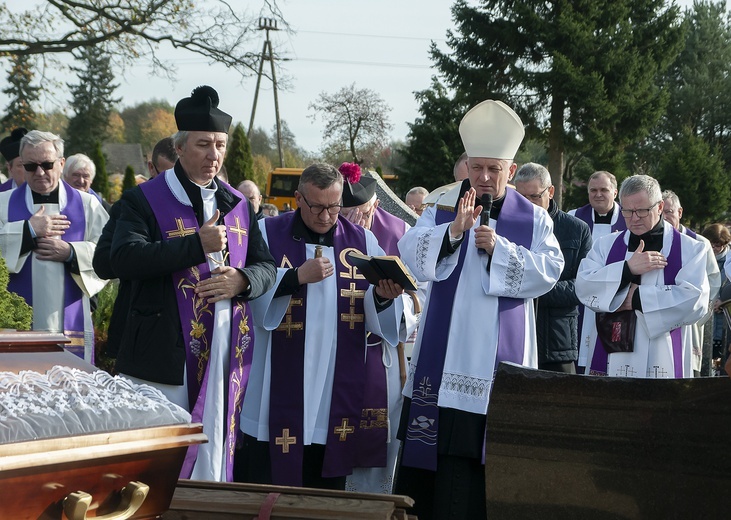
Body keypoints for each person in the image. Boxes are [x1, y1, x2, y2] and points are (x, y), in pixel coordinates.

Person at [394, 100, 564, 520]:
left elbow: (550, 271)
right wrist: (452, 233)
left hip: (495, 366)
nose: (484, 178)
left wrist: (500, 249)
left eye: (494, 169)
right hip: (444, 355)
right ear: (467, 166)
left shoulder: (535, 219)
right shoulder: (440, 207)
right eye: (477, 168)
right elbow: (409, 255)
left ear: (510, 168)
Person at [108, 85, 277, 482]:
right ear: (180, 147)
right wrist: (193, 246)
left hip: (223, 350)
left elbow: (265, 266)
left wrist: (242, 280)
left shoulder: (237, 202)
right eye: (203, 145)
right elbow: (121, 258)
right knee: (156, 465)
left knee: (211, 460)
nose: (214, 155)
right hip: (162, 354)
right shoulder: (143, 200)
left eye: (220, 144)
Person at [238, 163, 409, 491]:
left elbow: (373, 315)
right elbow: (251, 297)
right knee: (265, 484)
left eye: (333, 206)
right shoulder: (266, 233)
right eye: (316, 206)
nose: (326, 216)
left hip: (333, 386)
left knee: (322, 485)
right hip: (275, 379)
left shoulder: (363, 241)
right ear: (298, 198)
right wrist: (296, 277)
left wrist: (385, 299)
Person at [338, 161, 420, 494]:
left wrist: (391, 301)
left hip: (383, 355)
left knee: (380, 436)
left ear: (375, 205)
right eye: (349, 215)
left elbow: (420, 295)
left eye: (363, 214)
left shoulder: (401, 234)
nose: (356, 222)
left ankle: (373, 500)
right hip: (338, 346)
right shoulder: (332, 230)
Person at [576, 175, 709, 378]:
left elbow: (696, 299)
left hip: (662, 351)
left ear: (659, 207)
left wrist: (637, 298)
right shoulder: (605, 245)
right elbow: (584, 285)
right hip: (611, 347)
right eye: (628, 211)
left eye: (642, 211)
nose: (634, 218)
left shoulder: (691, 249)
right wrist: (627, 269)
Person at [0, 130, 109, 361]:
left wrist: (71, 252)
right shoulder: (3, 203)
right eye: (30, 166)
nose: (39, 173)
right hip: (16, 322)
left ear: (61, 163)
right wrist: (28, 231)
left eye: (47, 165)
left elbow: (109, 252)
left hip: (70, 319)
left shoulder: (88, 205)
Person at [93, 138, 179, 359]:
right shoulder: (131, 205)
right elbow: (102, 263)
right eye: (166, 174)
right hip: (137, 322)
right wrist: (143, 255)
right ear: (151, 168)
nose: (174, 183)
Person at [514, 163, 592, 373]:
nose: (528, 205)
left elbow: (584, 285)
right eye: (521, 198)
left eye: (534, 197)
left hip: (558, 342)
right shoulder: (507, 226)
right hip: (514, 335)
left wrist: (533, 288)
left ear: (550, 192)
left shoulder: (576, 229)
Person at [568, 170, 628, 371]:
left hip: (615, 298)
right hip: (582, 297)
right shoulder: (574, 218)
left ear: (615, 192)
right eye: (593, 190)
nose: (598, 194)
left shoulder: (629, 220)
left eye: (604, 189)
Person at [661, 190, 720, 376]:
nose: (665, 217)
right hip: (659, 313)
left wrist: (699, 311)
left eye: (669, 212)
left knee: (686, 367)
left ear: (680, 212)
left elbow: (713, 279)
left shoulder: (699, 243)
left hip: (689, 317)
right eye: (662, 212)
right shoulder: (653, 241)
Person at [702, 223, 731, 373]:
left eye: (717, 245)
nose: (713, 248)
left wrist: (723, 301)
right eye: (710, 244)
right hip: (706, 312)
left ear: (725, 244)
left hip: (723, 317)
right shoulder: (701, 255)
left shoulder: (729, 261)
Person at [0, 127, 28, 191]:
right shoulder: (2, 193)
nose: (29, 169)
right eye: (21, 165)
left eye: (32, 163)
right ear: (10, 168)